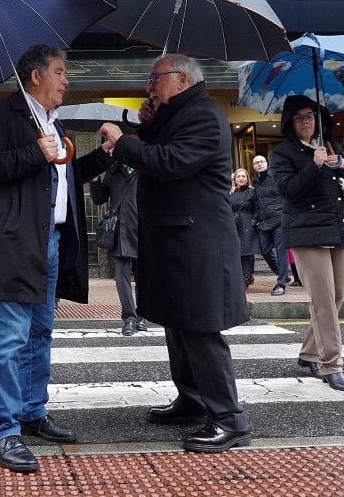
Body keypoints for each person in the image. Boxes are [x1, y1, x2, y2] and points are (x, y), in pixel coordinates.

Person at [99, 53, 251, 453]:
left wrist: (125, 141)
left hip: (197, 239)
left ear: (181, 78)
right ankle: (192, 399)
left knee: (200, 326)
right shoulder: (179, 113)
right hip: (175, 237)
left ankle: (230, 419)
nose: (149, 86)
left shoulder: (203, 114)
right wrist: (148, 123)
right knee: (176, 321)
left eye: (155, 78)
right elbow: (158, 147)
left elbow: (171, 161)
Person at [0, 44, 111, 473]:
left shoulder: (54, 121)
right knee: (10, 337)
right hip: (14, 243)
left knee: (40, 333)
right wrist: (37, 152)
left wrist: (98, 158)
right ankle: (4, 430)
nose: (66, 80)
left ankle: (33, 411)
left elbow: (63, 176)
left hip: (50, 242)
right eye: (60, 72)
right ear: (36, 77)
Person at [268, 95, 344, 393]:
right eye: (298, 118)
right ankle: (332, 364)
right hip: (307, 234)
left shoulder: (331, 145)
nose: (305, 121)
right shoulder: (282, 153)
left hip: (337, 228)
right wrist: (314, 165)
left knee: (334, 299)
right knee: (323, 302)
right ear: (289, 123)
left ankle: (308, 353)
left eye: (310, 116)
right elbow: (288, 191)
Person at [89, 162, 144, 336]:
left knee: (144, 277)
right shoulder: (113, 172)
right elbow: (99, 199)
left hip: (143, 230)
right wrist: (95, 180)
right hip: (120, 231)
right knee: (122, 277)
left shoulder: (145, 169)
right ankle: (129, 317)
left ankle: (141, 315)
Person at [251, 155, 289, 296]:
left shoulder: (275, 176)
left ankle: (281, 283)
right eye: (256, 162)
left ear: (266, 163)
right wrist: (255, 219)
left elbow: (286, 196)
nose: (260, 164)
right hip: (264, 222)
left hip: (279, 220)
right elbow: (257, 203)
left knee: (281, 251)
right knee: (265, 250)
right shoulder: (255, 181)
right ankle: (282, 273)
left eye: (262, 161)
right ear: (253, 166)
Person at [230, 168, 258, 291]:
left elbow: (257, 208)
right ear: (234, 179)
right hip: (234, 224)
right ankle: (245, 276)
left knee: (246, 253)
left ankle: (245, 281)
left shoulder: (252, 192)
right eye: (239, 176)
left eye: (243, 176)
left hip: (247, 224)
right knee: (237, 252)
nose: (241, 178)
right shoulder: (230, 193)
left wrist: (254, 221)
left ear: (247, 178)